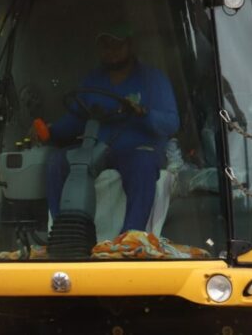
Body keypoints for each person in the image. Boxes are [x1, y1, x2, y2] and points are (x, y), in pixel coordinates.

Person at [42, 22, 180, 233]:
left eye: (117, 45)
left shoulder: (153, 79)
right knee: (56, 162)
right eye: (106, 45)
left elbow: (171, 123)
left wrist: (145, 114)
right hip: (97, 150)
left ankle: (131, 236)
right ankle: (62, 232)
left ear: (130, 45)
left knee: (143, 163)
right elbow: (76, 119)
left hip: (137, 150)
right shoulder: (93, 80)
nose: (111, 51)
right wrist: (49, 131)